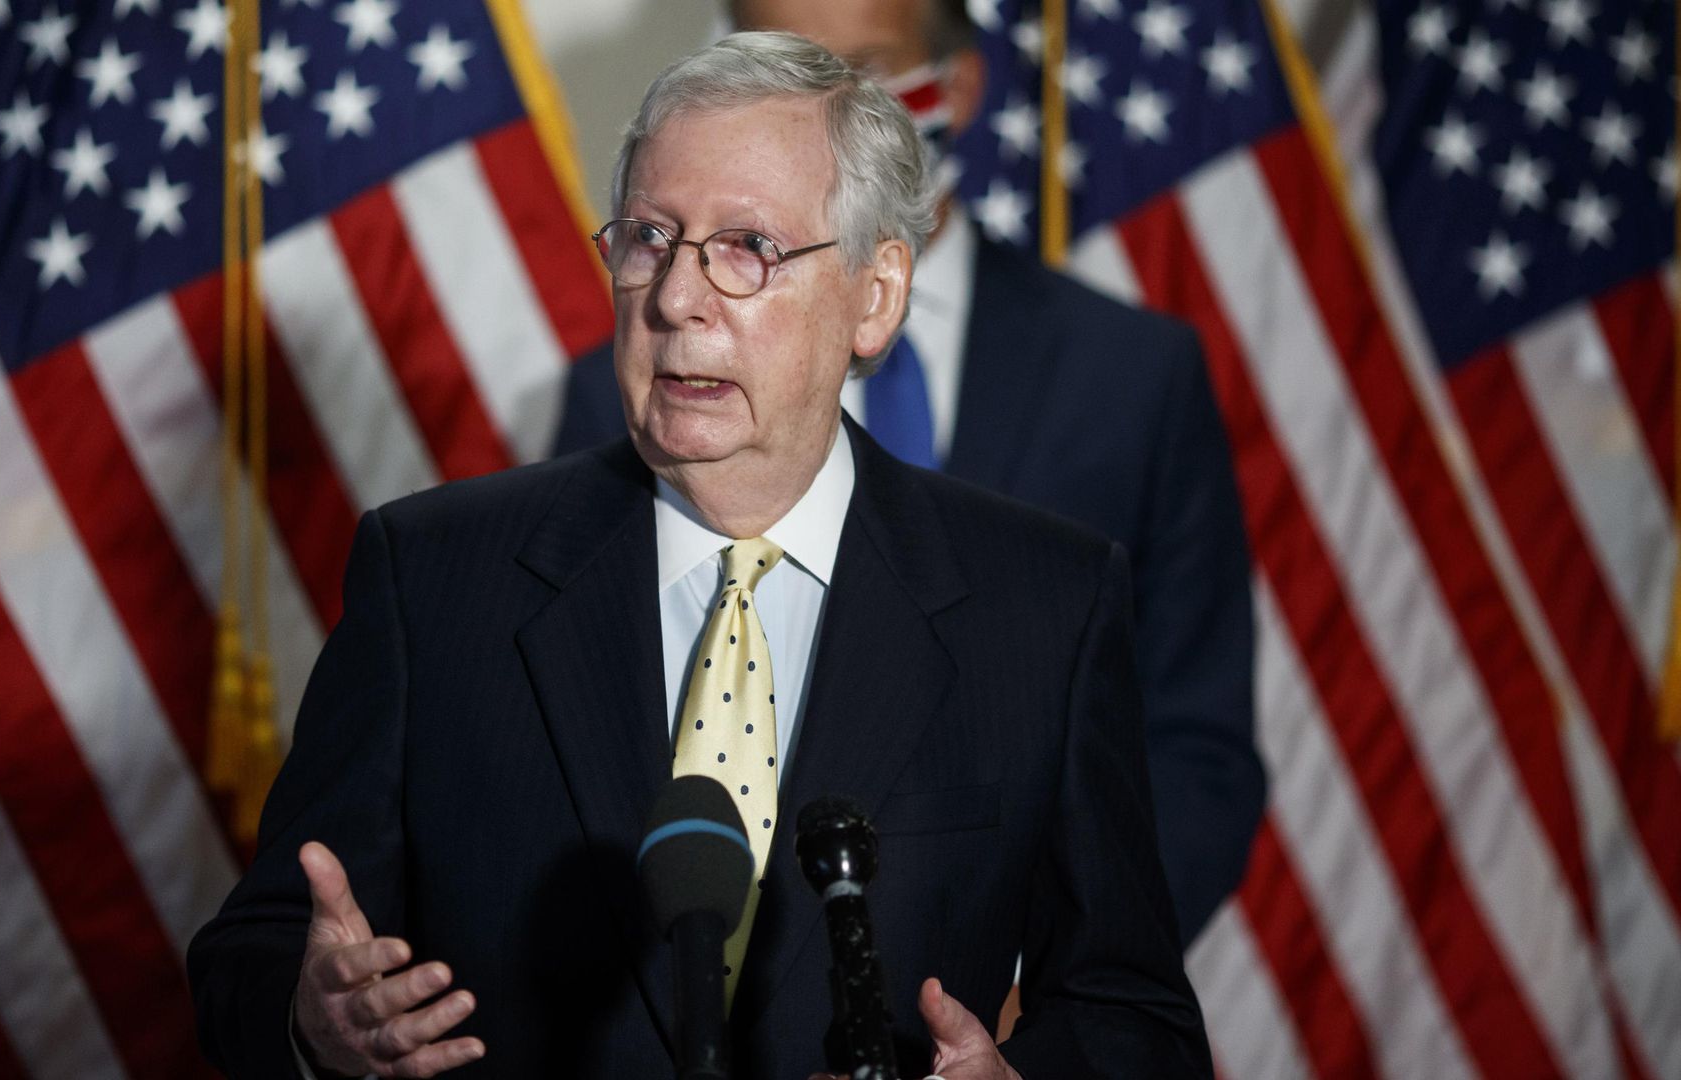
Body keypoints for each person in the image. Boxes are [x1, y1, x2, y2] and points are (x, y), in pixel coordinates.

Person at [189, 32, 1208, 1079]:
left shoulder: (1043, 606)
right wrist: (313, 1022)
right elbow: (253, 956)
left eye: (746, 248)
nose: (676, 299)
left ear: (874, 296)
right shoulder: (433, 576)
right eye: (648, 239)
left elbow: (1134, 1017)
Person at [553, 0, 1263, 947]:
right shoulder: (638, 379)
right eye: (788, 65)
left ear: (960, 86)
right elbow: (573, 716)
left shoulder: (1132, 377)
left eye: (866, 73)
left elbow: (1192, 747)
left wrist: (1042, 990)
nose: (828, 107)